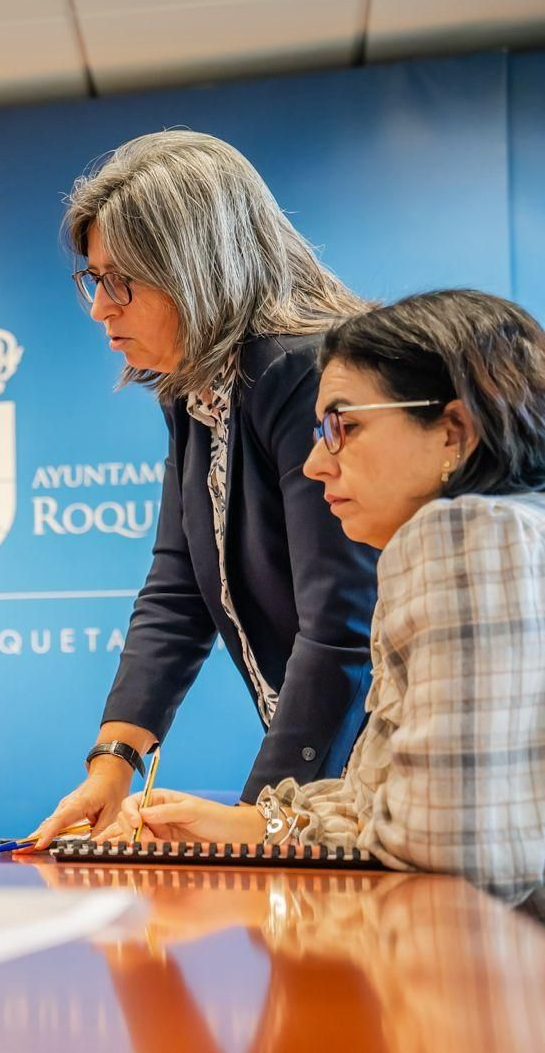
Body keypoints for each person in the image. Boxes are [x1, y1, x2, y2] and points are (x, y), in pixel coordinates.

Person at [111, 289, 545, 919]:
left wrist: (245, 903)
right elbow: (383, 803)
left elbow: (440, 852)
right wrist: (258, 830)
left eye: (343, 427)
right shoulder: (511, 531)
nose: (314, 463)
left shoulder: (461, 538)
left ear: (453, 431)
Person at [33, 131, 381, 847]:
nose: (102, 308)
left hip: (400, 769)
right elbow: (179, 586)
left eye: (120, 280)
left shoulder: (302, 372)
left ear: (195, 265)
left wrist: (260, 820)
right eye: (94, 280)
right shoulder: (194, 391)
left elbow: (345, 628)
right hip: (343, 785)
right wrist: (113, 762)